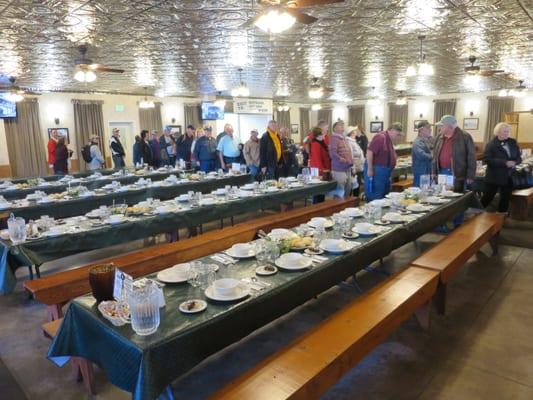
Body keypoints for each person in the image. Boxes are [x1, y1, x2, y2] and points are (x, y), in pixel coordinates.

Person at [480, 122, 521, 213]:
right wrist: (505, 163)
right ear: (497, 132)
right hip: (494, 176)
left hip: (509, 176)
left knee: (505, 198)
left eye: (508, 131)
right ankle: (475, 214)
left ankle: (502, 217)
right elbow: (487, 159)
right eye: (504, 131)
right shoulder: (491, 144)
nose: (506, 133)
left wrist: (515, 162)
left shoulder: (512, 142)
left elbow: (519, 157)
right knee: (487, 197)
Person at [433, 115, 476, 193]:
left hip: (457, 174)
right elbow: (434, 157)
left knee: (457, 197)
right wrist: (434, 172)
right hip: (442, 172)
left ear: (450, 126)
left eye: (441, 126)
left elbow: (471, 157)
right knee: (441, 195)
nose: (439, 128)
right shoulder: (438, 137)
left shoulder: (465, 136)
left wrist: (471, 175)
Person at [364, 122, 403, 201]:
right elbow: (369, 152)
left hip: (384, 172)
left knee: (384, 196)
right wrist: (370, 169)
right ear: (392, 130)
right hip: (377, 171)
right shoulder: (381, 137)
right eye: (397, 134)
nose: (397, 137)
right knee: (376, 196)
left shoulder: (388, 138)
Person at [329, 121, 353, 198]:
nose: (343, 127)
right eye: (340, 126)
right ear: (335, 128)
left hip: (347, 167)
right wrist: (341, 158)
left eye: (343, 125)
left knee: (348, 188)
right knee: (340, 191)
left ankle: (345, 207)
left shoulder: (343, 138)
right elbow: (333, 153)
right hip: (339, 168)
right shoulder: (334, 138)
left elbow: (348, 151)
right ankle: (338, 208)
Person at [411, 120, 433, 187]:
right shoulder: (417, 142)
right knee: (419, 192)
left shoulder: (427, 140)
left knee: (426, 191)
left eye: (430, 128)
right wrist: (433, 156)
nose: (430, 130)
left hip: (426, 171)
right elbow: (422, 156)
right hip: (421, 172)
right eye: (428, 128)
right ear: (421, 130)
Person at [345, 126, 365, 196]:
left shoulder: (353, 141)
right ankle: (351, 200)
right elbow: (350, 156)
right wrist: (353, 168)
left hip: (358, 166)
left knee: (357, 184)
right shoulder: (348, 142)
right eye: (354, 131)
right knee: (352, 184)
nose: (356, 132)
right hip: (353, 166)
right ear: (351, 133)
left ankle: (355, 200)